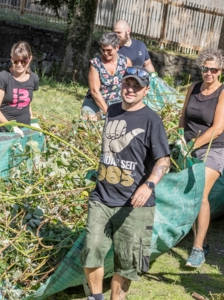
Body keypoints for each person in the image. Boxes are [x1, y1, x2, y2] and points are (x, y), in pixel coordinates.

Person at [82, 66, 170, 300]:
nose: (130, 89)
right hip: (102, 197)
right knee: (92, 250)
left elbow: (164, 160)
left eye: (136, 86)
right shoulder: (111, 110)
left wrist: (148, 184)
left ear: (146, 90)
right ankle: (96, 297)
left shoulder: (151, 120)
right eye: (127, 84)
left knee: (127, 263)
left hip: (134, 204)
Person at [179, 49, 224, 268]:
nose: (208, 73)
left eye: (213, 70)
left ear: (221, 71)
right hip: (187, 147)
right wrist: (181, 139)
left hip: (213, 149)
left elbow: (218, 128)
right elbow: (183, 117)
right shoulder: (193, 88)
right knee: (189, 194)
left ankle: (197, 250)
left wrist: (192, 145)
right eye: (205, 69)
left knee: (200, 193)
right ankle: (203, 239)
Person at [0, 41, 39, 136]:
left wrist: (33, 121)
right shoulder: (2, 78)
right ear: (11, 59)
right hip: (2, 130)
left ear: (30, 59)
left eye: (24, 61)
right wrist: (11, 126)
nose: (19, 64)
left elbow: (27, 103)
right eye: (16, 61)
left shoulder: (34, 79)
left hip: (24, 130)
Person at [82, 32, 132, 120]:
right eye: (103, 50)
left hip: (118, 104)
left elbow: (130, 85)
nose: (105, 53)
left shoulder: (126, 62)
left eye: (109, 50)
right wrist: (109, 113)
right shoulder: (95, 64)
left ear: (117, 47)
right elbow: (94, 91)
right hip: (95, 104)